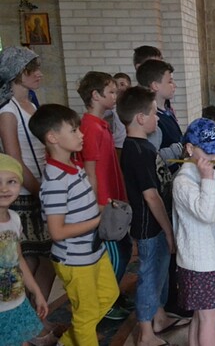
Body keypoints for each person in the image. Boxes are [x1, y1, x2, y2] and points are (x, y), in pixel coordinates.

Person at [29, 104, 119, 346]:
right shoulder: (55, 181)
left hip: (92, 250)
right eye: (74, 130)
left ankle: (67, 342)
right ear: (52, 137)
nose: (81, 135)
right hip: (74, 260)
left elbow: (82, 208)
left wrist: (104, 209)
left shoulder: (74, 167)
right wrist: (98, 220)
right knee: (86, 314)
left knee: (109, 294)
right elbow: (57, 231)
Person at [117, 86, 189, 346]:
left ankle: (158, 317)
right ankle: (146, 333)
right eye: (153, 113)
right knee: (149, 276)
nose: (157, 118)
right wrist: (168, 230)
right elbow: (151, 196)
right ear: (140, 118)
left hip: (156, 224)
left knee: (159, 273)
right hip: (150, 226)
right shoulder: (138, 151)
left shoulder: (142, 146)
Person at [0, 47, 55, 324]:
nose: (39, 74)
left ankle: (33, 321)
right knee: (30, 259)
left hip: (41, 187)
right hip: (24, 193)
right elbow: (15, 159)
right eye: (31, 70)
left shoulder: (31, 105)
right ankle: (31, 323)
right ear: (16, 74)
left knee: (45, 259)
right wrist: (39, 191)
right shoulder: (8, 111)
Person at [173, 118, 215, 346]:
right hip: (199, 263)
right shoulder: (184, 182)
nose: (214, 157)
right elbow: (203, 213)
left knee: (201, 316)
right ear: (190, 149)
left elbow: (208, 211)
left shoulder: (206, 174)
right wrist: (208, 180)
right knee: (208, 318)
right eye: (208, 151)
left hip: (209, 259)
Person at [76, 71, 132, 320]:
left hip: (113, 198)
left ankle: (113, 294)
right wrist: (97, 204)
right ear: (95, 96)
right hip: (103, 202)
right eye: (110, 92)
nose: (115, 96)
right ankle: (105, 302)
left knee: (124, 247)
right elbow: (90, 170)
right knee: (114, 253)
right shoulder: (89, 126)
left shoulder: (102, 124)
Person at [0, 153, 48, 346]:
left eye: (11, 181)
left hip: (16, 302)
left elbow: (18, 258)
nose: (4, 188)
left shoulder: (14, 219)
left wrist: (36, 291)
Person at [107, 72, 131, 151]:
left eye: (122, 84)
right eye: (116, 85)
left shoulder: (134, 103)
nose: (119, 88)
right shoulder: (113, 105)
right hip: (118, 144)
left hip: (131, 142)